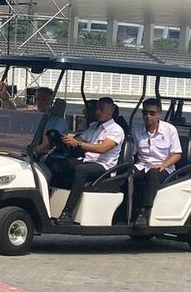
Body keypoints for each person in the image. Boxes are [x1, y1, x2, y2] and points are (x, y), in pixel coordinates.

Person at [55, 97, 124, 224]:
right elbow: (79, 138)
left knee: (81, 170)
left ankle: (68, 212)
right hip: (87, 160)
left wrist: (79, 144)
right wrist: (65, 139)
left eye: (101, 109)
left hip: (104, 167)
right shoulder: (93, 126)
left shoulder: (116, 130)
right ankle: (52, 203)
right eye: (97, 109)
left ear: (112, 109)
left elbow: (102, 149)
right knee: (57, 164)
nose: (98, 112)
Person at [130, 98, 182, 227]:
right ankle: (127, 210)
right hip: (143, 165)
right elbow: (133, 154)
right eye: (145, 113)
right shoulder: (137, 131)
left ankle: (145, 212)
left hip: (164, 167)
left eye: (152, 113)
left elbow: (177, 154)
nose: (148, 116)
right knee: (126, 174)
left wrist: (163, 165)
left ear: (159, 113)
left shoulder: (170, 130)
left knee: (153, 174)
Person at [0, 82, 68, 154]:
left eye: (44, 100)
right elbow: (14, 114)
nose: (40, 103)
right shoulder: (35, 116)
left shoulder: (58, 122)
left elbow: (46, 144)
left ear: (51, 102)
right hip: (31, 155)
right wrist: (4, 97)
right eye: (37, 99)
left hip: (48, 159)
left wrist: (29, 153)